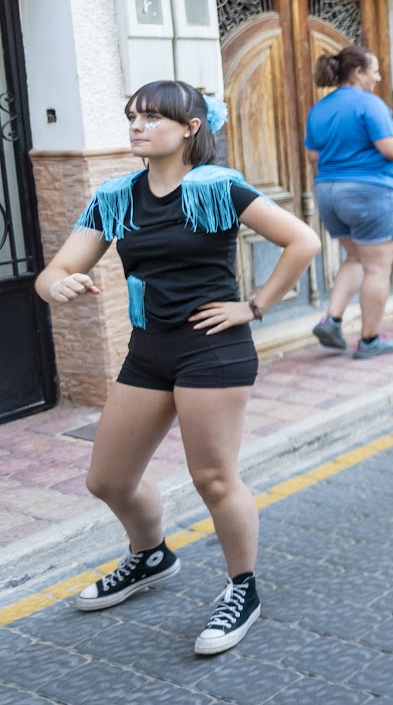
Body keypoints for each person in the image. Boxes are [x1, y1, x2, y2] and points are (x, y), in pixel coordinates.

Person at [38, 81, 320, 655]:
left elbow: (303, 241)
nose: (137, 126)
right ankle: (150, 556)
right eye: (133, 116)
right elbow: (56, 269)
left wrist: (254, 306)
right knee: (108, 480)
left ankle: (243, 589)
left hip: (212, 349)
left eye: (152, 117)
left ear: (191, 128)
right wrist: (56, 285)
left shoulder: (219, 187)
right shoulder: (116, 196)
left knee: (213, 478)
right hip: (148, 350)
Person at [304, 46, 393, 359]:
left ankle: (332, 319)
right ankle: (370, 339)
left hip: (328, 191)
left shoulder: (319, 108)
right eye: (375, 71)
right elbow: (390, 149)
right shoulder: (369, 104)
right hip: (369, 190)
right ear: (358, 72)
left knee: (355, 256)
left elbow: (313, 156)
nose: (378, 77)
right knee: (377, 268)